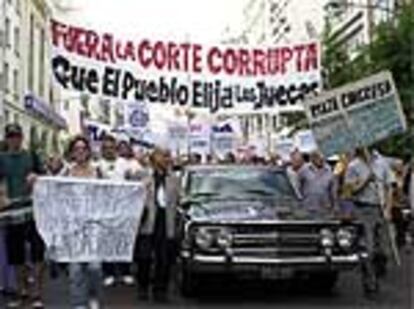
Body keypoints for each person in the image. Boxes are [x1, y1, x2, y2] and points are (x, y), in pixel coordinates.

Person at [0, 124, 46, 308]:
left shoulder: (32, 156)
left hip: (34, 211)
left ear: (22, 137)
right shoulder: (1, 159)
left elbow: (46, 178)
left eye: (17, 136)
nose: (14, 140)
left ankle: (37, 294)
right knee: (16, 256)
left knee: (37, 254)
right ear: (6, 138)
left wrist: (37, 176)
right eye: (11, 136)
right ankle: (22, 292)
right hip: (11, 213)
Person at [344, 148, 393, 292]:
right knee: (369, 248)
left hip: (381, 209)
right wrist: (366, 180)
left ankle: (376, 270)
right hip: (363, 209)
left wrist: (388, 208)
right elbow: (348, 192)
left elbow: (389, 186)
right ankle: (370, 279)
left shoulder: (382, 162)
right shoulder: (353, 166)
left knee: (384, 250)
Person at [62, 135, 103, 309]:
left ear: (88, 151)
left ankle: (93, 295)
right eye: (76, 148)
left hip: (94, 225)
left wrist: (140, 185)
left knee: (95, 266)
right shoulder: (66, 172)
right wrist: (36, 180)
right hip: (73, 227)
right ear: (72, 152)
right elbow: (50, 188)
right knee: (76, 269)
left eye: (83, 148)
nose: (80, 151)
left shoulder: (98, 171)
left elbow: (116, 189)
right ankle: (79, 302)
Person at [134, 147, 179, 302]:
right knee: (144, 257)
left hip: (165, 221)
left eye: (169, 156)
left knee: (163, 259)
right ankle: (143, 287)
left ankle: (161, 290)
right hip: (147, 221)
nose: (168, 159)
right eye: (164, 156)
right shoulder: (143, 175)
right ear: (154, 158)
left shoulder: (174, 178)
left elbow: (179, 199)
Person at [96, 134, 136, 287]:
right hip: (105, 210)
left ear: (116, 148)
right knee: (107, 242)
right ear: (102, 149)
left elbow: (134, 182)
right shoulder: (97, 165)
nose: (108, 150)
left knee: (123, 241)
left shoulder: (125, 164)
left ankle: (125, 272)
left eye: (111, 148)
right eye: (105, 148)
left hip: (123, 210)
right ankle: (109, 272)